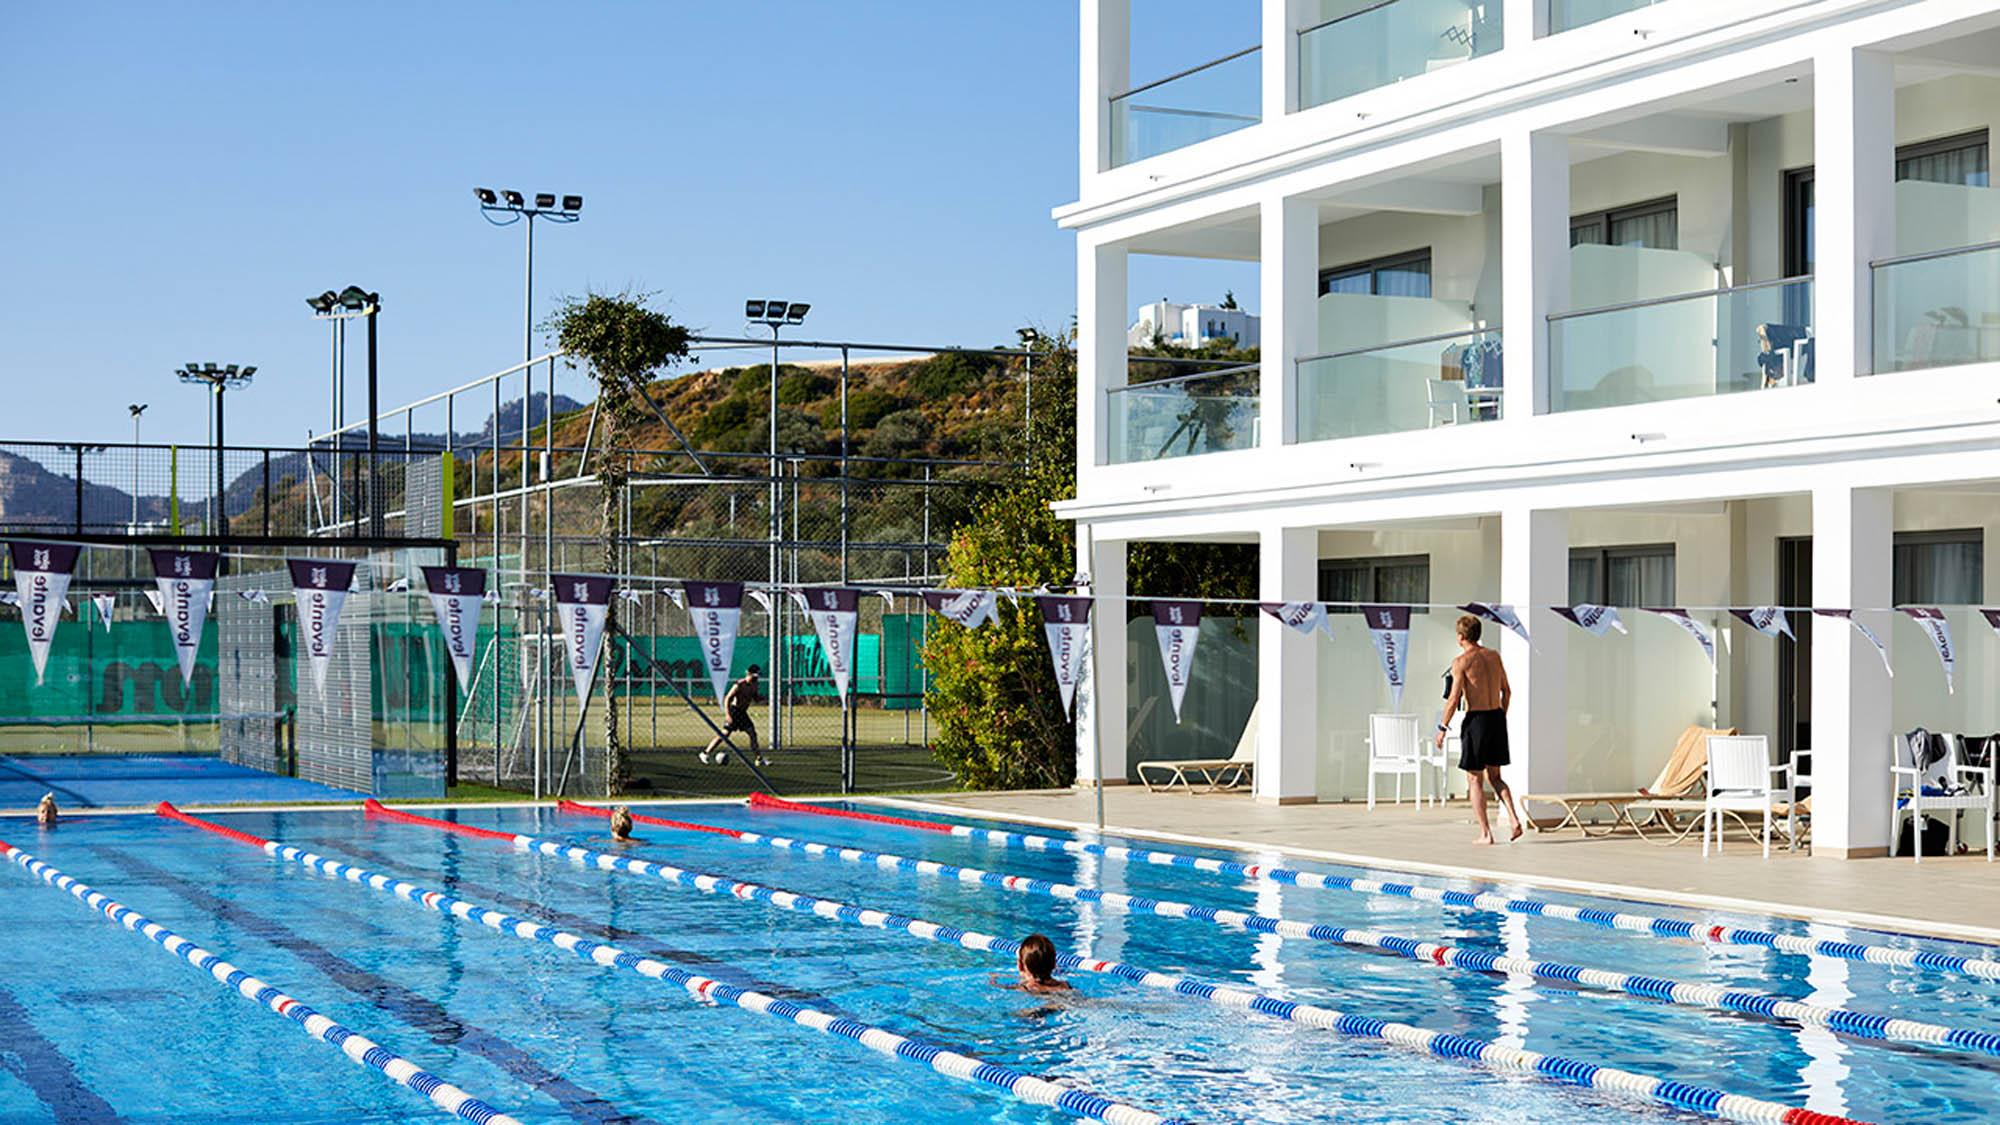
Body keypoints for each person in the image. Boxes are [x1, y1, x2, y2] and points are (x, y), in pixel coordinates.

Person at [1438, 615, 1523, 845]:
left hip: (1476, 720)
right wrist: (1500, 717)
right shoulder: (1494, 657)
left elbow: (1454, 698)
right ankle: (1514, 820)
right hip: (1496, 717)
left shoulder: (1461, 662)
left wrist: (1442, 728)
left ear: (1460, 637)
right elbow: (1507, 691)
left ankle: (1486, 833)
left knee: (1474, 780)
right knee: (1495, 776)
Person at [701, 665, 766, 767]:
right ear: (748, 674)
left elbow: (755, 697)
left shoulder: (755, 684)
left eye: (757, 676)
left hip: (743, 713)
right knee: (725, 734)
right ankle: (705, 753)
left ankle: (759, 759)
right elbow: (727, 699)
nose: (756, 678)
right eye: (754, 676)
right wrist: (728, 715)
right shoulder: (739, 685)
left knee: (752, 733)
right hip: (734, 711)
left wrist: (764, 698)